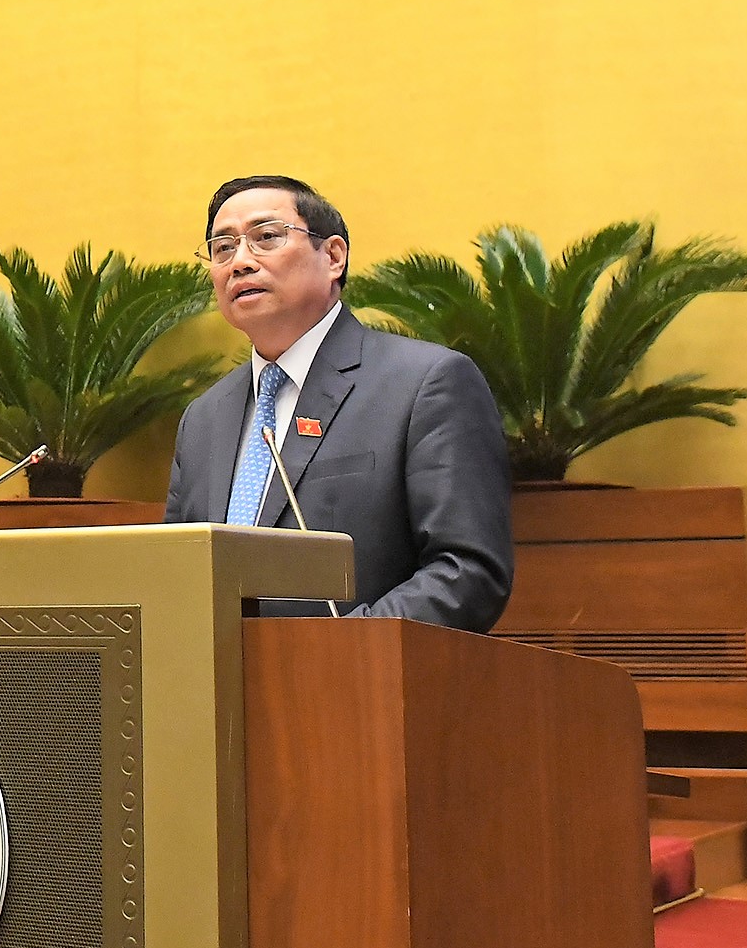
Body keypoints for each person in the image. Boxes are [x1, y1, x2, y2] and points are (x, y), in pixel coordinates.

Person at [163, 175, 514, 632]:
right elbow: (174, 577)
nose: (241, 262)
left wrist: (342, 651)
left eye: (266, 237)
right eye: (223, 248)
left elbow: (467, 571)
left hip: (359, 673)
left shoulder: (425, 384)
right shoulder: (204, 418)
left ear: (332, 256)